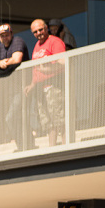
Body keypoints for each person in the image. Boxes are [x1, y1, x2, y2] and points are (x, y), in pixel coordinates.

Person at [30, 18, 67, 146]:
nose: (38, 33)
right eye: (35, 32)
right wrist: (32, 84)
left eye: (40, 29)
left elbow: (63, 62)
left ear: (46, 28)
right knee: (48, 122)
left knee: (60, 119)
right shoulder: (37, 45)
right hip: (41, 89)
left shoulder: (55, 42)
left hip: (55, 86)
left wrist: (47, 68)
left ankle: (65, 146)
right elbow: (36, 68)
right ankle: (52, 147)